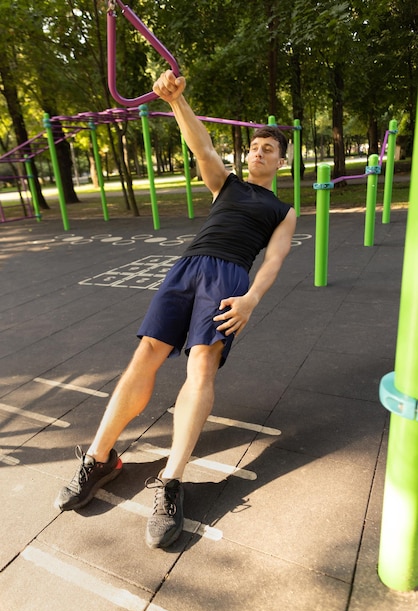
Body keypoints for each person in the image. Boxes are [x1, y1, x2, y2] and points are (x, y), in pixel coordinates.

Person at [55, 70, 297, 550]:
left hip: (229, 278)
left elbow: (274, 260)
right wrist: (178, 101)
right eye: (255, 146)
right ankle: (101, 458)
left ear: (283, 162)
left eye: (269, 149)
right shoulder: (225, 185)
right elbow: (201, 146)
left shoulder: (282, 210)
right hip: (187, 269)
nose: (259, 151)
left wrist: (250, 298)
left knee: (201, 363)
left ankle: (171, 481)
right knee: (145, 353)